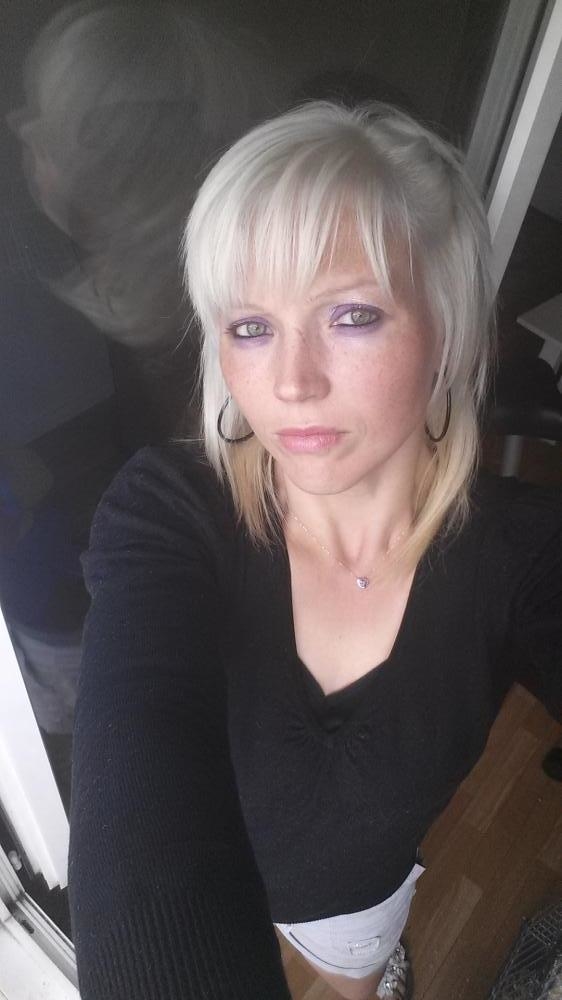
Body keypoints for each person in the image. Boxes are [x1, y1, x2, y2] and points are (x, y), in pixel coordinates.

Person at [68, 101, 562, 1000]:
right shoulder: (168, 514)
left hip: (353, 910)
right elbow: (137, 816)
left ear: (447, 328)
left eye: (352, 315)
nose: (291, 382)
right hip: (219, 879)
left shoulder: (526, 556)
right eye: (251, 327)